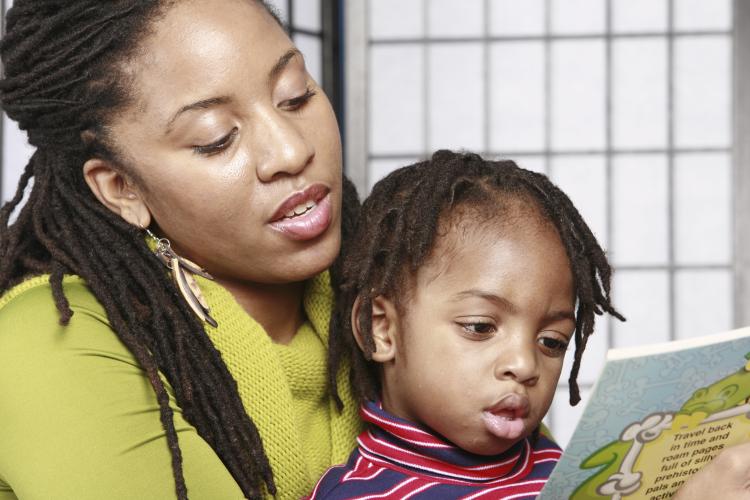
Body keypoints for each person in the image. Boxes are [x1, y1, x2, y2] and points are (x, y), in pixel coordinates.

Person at [0, 1, 361, 499]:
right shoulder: (48, 338)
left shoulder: (397, 293)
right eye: (216, 139)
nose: (291, 151)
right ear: (121, 186)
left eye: (295, 96)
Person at [308, 151, 624, 498]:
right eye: (480, 327)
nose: (524, 365)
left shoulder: (561, 469)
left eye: (552, 341)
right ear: (380, 329)